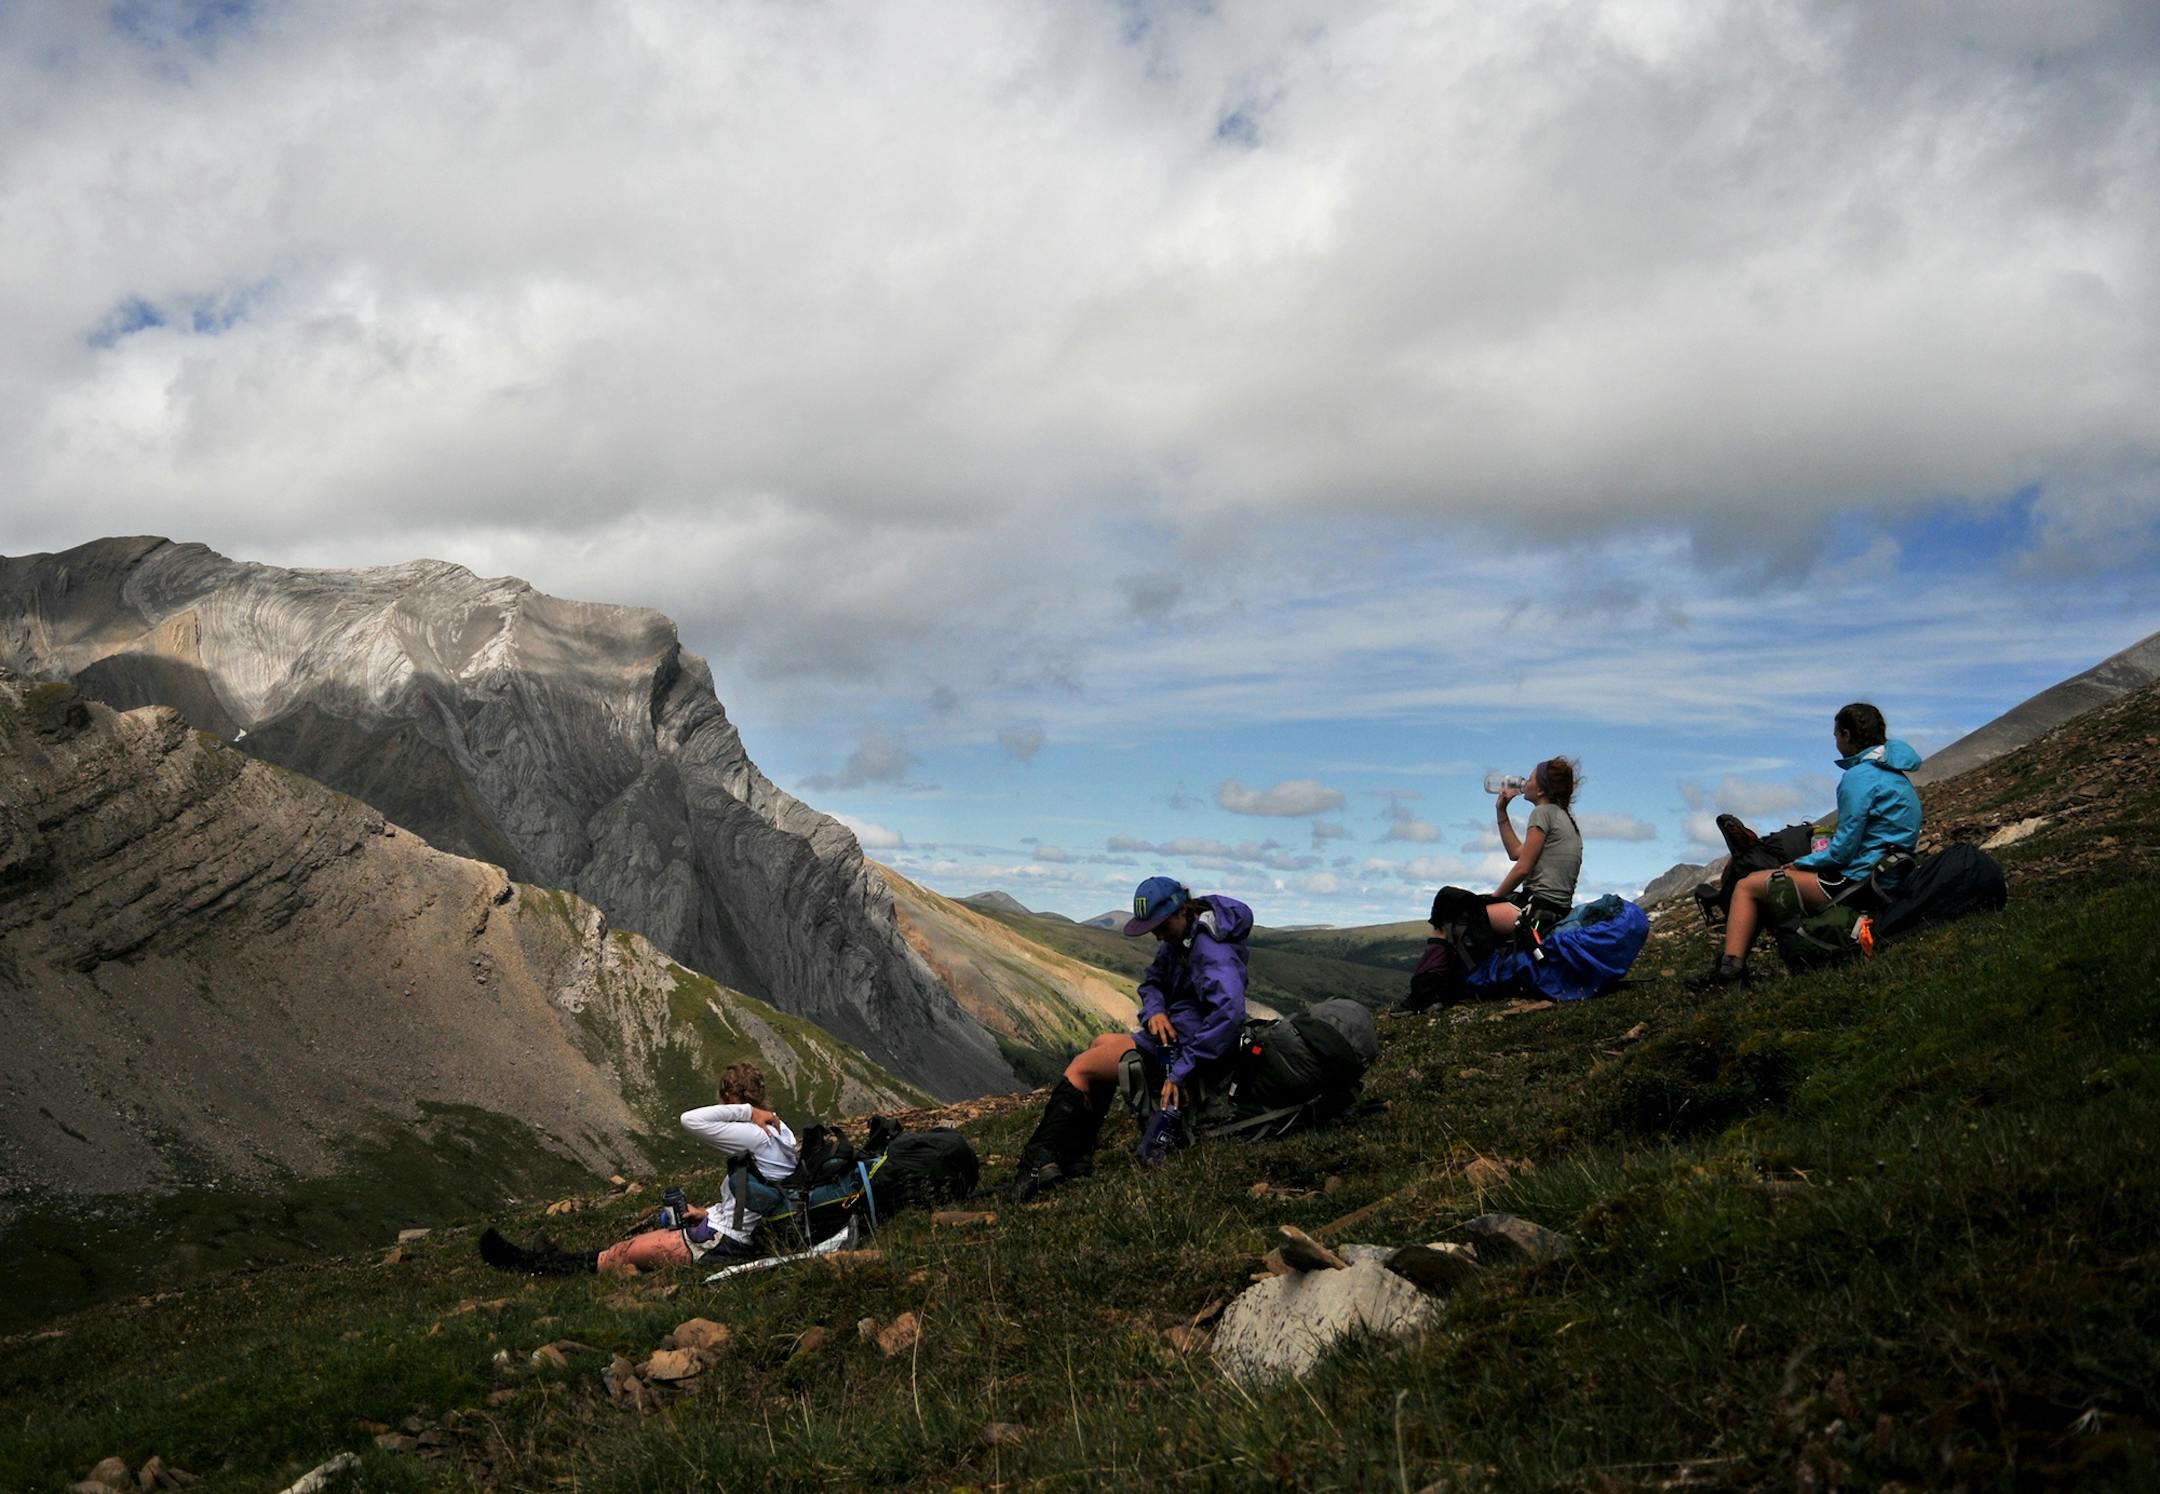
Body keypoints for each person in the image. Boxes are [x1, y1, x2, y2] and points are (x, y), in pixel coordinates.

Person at [1008, 876, 1251, 1199]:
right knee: (1100, 1043)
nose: (1157, 935)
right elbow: (1152, 983)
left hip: (1191, 1047)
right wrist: (1155, 1012)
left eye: (1161, 926)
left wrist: (1182, 1071)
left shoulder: (1211, 951)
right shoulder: (1180, 940)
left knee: (1082, 1067)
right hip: (1174, 1035)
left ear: (1181, 912)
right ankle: (1078, 1158)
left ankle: (1038, 1161)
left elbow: (1229, 1014)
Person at [478, 1061, 797, 1275]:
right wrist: (709, 1212)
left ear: (729, 1098)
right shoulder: (782, 1130)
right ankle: (548, 1256)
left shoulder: (750, 1132)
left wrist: (744, 1113)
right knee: (627, 1248)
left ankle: (527, 1265)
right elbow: (758, 1191)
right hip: (730, 1227)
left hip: (727, 1242)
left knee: (621, 1255)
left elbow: (690, 1120)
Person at [1697, 702, 1923, 989]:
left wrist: (1803, 864)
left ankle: (1728, 972)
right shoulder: (1892, 772)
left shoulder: (1858, 778)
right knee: (1777, 875)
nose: (1836, 742)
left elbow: (1843, 852)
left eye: (1836, 736)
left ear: (1846, 734)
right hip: (1889, 871)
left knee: (1749, 885)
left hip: (1861, 882)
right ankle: (1734, 964)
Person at [1488, 757, 1583, 938]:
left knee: (1456, 910)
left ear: (1540, 790)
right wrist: (1501, 811)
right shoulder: (1563, 817)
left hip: (1536, 908)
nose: (1524, 782)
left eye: (1530, 779)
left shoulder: (1542, 812)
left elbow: (1522, 868)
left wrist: (1493, 898)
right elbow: (1516, 853)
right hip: (1556, 911)